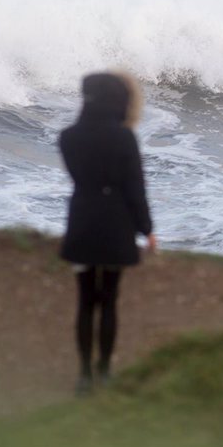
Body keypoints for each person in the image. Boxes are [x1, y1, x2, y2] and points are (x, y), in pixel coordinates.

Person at [58, 71, 156, 394]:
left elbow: (80, 178)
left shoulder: (68, 137)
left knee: (85, 301)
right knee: (109, 300)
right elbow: (134, 189)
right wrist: (147, 230)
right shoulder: (124, 138)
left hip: (82, 222)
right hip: (116, 226)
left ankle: (84, 374)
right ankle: (105, 371)